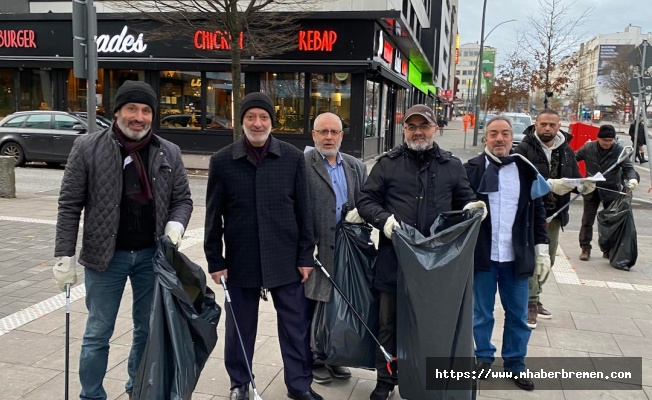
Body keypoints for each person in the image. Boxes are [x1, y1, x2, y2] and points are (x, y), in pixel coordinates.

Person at [52, 80, 193, 400]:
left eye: (146, 110)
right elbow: (70, 203)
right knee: (98, 332)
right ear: (117, 112)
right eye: (131, 108)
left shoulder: (168, 151)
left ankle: (138, 387)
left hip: (150, 257)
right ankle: (91, 394)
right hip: (105, 258)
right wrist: (64, 255)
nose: (139, 116)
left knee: (147, 329)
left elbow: (182, 199)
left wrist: (175, 226)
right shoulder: (87, 148)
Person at [357, 104, 485, 400]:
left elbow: (466, 197)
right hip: (394, 261)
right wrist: (383, 220)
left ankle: (429, 379)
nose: (418, 131)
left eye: (423, 126)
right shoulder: (388, 163)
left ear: (435, 129)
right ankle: (386, 380)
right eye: (412, 126)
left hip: (437, 266)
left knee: (431, 324)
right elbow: (366, 199)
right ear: (404, 130)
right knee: (388, 324)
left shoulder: (451, 165)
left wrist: (472, 207)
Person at [204, 92, 322, 400]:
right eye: (251, 117)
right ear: (241, 121)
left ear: (272, 121)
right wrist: (215, 261)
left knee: (294, 326)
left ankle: (299, 385)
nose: (258, 123)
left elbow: (304, 212)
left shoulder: (292, 157)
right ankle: (240, 383)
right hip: (241, 260)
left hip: (286, 258)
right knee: (240, 327)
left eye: (264, 118)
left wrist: (305, 255)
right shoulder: (222, 161)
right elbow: (213, 217)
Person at [464, 116, 550, 391]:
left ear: (512, 137)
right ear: (485, 138)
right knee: (481, 313)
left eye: (504, 133)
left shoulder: (525, 170)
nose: (499, 138)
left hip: (517, 257)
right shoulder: (471, 169)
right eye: (493, 134)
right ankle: (483, 357)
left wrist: (542, 250)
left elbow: (538, 212)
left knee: (517, 314)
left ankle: (515, 363)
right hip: (483, 256)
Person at [513, 109, 594, 329]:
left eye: (552, 125)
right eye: (543, 124)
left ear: (559, 127)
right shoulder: (523, 149)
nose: (547, 128)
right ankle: (529, 303)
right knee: (532, 259)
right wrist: (549, 184)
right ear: (536, 125)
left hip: (555, 215)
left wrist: (584, 185)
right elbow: (517, 182)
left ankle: (535, 298)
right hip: (529, 215)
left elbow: (576, 178)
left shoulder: (566, 150)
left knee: (548, 259)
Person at [303, 112, 368, 385]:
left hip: (346, 249)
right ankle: (313, 359)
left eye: (334, 132)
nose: (329, 137)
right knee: (313, 306)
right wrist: (305, 245)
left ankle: (334, 356)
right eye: (323, 132)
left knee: (341, 306)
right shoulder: (302, 163)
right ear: (314, 135)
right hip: (317, 250)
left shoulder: (356, 166)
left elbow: (366, 202)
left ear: (342, 135)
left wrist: (362, 217)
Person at [576, 124, 639, 263]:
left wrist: (632, 179)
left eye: (611, 140)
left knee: (611, 221)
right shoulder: (588, 148)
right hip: (591, 189)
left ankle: (608, 249)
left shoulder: (619, 150)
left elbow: (628, 168)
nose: (608, 143)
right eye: (605, 140)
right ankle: (585, 248)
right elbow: (573, 159)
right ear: (598, 138)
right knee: (587, 220)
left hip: (611, 190)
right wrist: (577, 179)